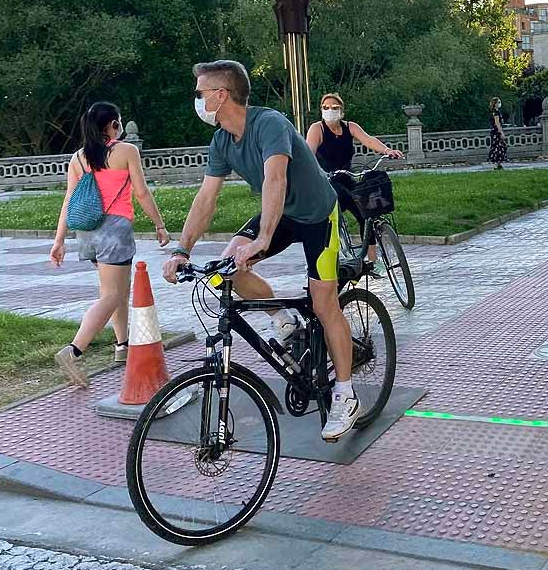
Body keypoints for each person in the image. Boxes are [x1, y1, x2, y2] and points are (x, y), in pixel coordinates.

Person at [160, 61, 359, 441]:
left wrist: (263, 239)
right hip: (280, 213)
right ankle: (282, 316)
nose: (197, 101)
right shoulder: (221, 141)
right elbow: (206, 198)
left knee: (324, 304)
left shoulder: (268, 123)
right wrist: (182, 250)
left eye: (200, 94)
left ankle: (346, 395)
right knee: (228, 265)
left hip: (318, 214)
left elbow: (275, 178)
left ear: (221, 95)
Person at [50, 102, 170, 387]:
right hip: (115, 230)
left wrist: (59, 241)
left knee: (114, 291)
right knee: (112, 296)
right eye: (118, 123)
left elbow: (69, 200)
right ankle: (74, 350)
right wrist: (160, 224)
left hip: (88, 231)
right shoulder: (126, 151)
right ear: (112, 125)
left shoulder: (78, 158)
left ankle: (123, 345)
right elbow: (140, 192)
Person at [306, 92, 405, 272]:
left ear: (341, 111)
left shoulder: (350, 127)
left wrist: (386, 150)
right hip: (327, 180)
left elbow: (368, 140)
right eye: (326, 108)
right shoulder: (317, 129)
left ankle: (374, 262)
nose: (330, 111)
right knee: (340, 205)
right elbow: (308, 153)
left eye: (334, 108)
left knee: (366, 211)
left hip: (347, 176)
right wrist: (315, 171)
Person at [487, 97, 508, 169]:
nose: (500, 103)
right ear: (495, 104)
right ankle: (496, 164)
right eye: (498, 102)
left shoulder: (497, 111)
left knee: (501, 147)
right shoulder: (495, 112)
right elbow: (497, 123)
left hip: (495, 132)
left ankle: (498, 163)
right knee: (498, 147)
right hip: (496, 132)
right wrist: (501, 132)